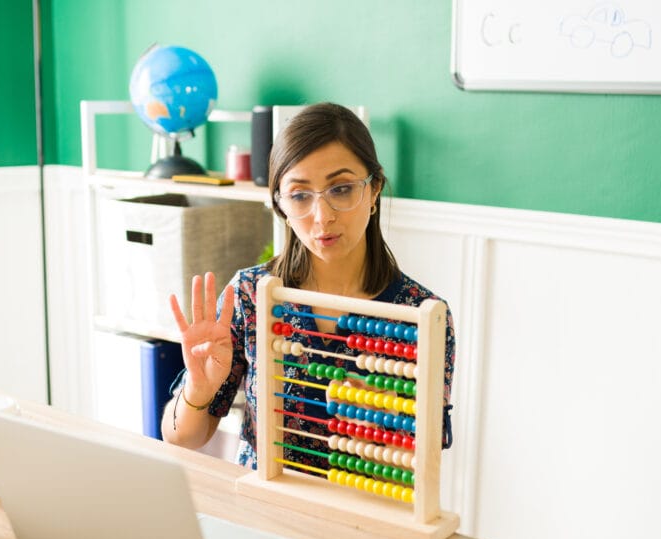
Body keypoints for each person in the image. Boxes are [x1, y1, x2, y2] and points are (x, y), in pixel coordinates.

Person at [161, 102, 455, 470]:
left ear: (374, 189)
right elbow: (183, 437)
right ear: (281, 205)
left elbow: (426, 456)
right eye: (300, 195)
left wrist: (385, 419)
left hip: (368, 518)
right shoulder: (251, 296)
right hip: (266, 512)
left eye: (342, 189)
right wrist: (198, 391)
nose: (323, 216)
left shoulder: (421, 316)